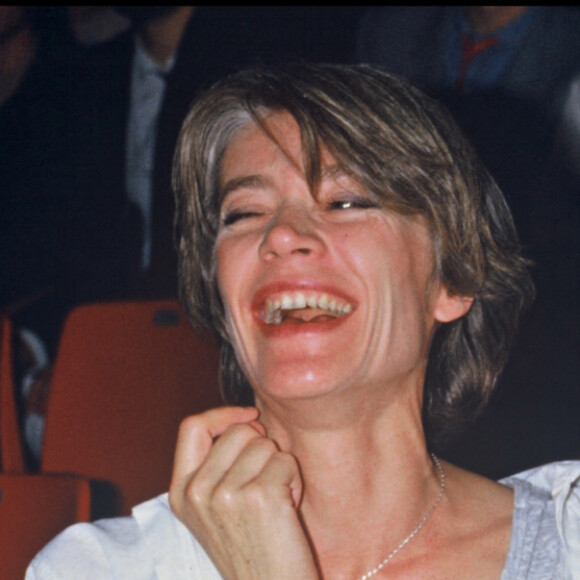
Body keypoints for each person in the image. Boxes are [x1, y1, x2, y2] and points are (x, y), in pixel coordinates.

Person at [26, 64, 580, 579]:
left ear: (453, 280)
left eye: (346, 202)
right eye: (244, 213)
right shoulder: (100, 569)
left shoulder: (567, 541)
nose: (282, 235)